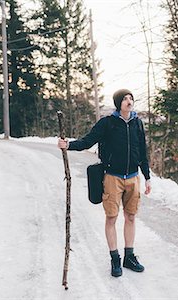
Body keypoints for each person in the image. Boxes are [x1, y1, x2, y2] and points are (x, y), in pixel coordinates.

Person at [57, 88, 151, 277]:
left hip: (133, 177)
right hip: (112, 177)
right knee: (111, 218)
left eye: (131, 98)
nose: (129, 101)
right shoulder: (107, 123)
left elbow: (142, 153)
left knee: (131, 217)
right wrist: (69, 145)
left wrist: (147, 177)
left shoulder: (137, 124)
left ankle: (129, 256)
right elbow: (88, 141)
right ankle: (115, 258)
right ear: (118, 103)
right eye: (125, 98)